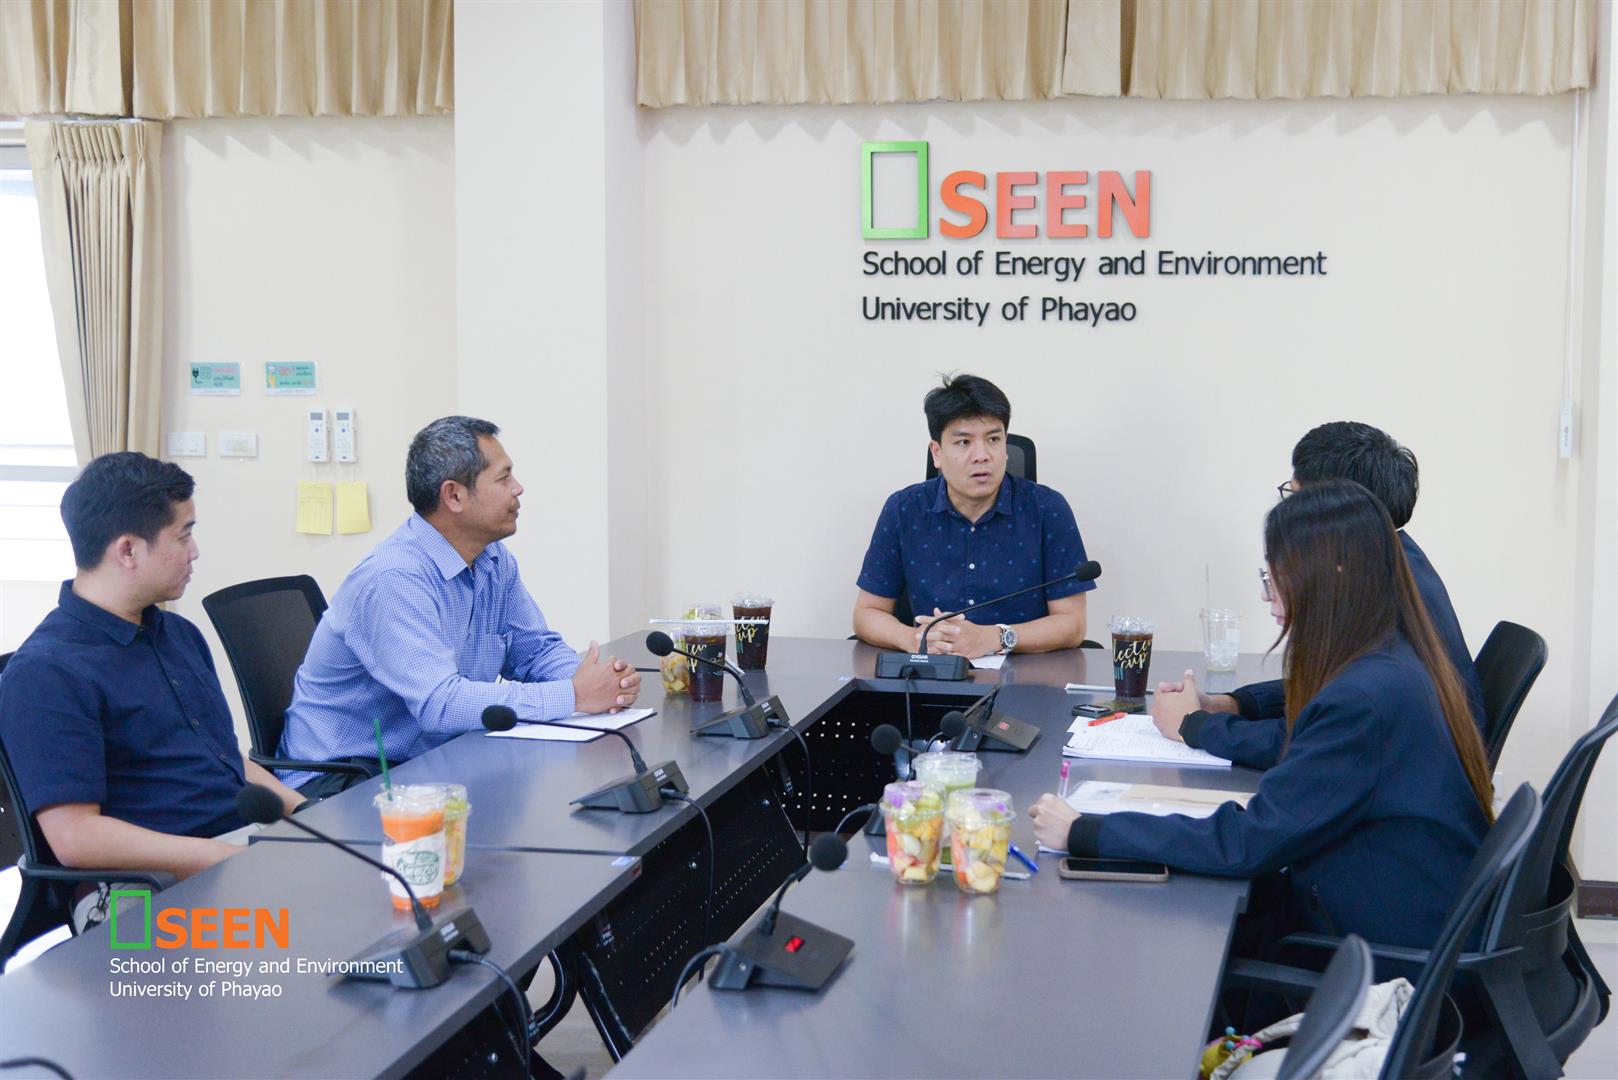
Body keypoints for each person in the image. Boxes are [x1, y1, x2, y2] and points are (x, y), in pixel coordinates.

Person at [1030, 481, 1493, 948]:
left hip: (1375, 950)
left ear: (1329, 575)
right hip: (1378, 903)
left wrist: (1085, 830)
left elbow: (1247, 843)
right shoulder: (1387, 660)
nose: (1267, 596)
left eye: (1275, 577)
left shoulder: (1361, 700)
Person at [0, 453, 305, 923]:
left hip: (228, 851)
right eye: (183, 535)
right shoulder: (47, 672)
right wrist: (225, 860)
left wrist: (309, 813)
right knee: (308, 939)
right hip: (136, 892)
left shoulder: (177, 635)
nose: (195, 551)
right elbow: (76, 838)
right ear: (127, 550)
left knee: (372, 893)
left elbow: (226, 758)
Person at [278, 416, 640, 797]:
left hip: (433, 760)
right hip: (345, 780)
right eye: (503, 478)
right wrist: (574, 695)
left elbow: (534, 651)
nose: (518, 488)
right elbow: (441, 704)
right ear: (454, 496)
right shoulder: (393, 578)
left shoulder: (493, 559)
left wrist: (598, 684)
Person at [1161, 421, 1484, 769]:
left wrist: (1195, 726)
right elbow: (1332, 691)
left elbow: (1314, 739)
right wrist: (1238, 705)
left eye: (1295, 499)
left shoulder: (1381, 596)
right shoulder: (1395, 560)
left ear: (1331, 512)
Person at [851, 373, 1094, 658]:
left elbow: (1072, 624)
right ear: (937, 453)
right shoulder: (904, 510)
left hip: (1026, 674)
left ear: (1005, 447)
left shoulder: (1047, 509)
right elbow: (867, 613)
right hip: (931, 672)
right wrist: (914, 638)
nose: (982, 455)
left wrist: (995, 637)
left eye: (993, 439)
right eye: (964, 442)